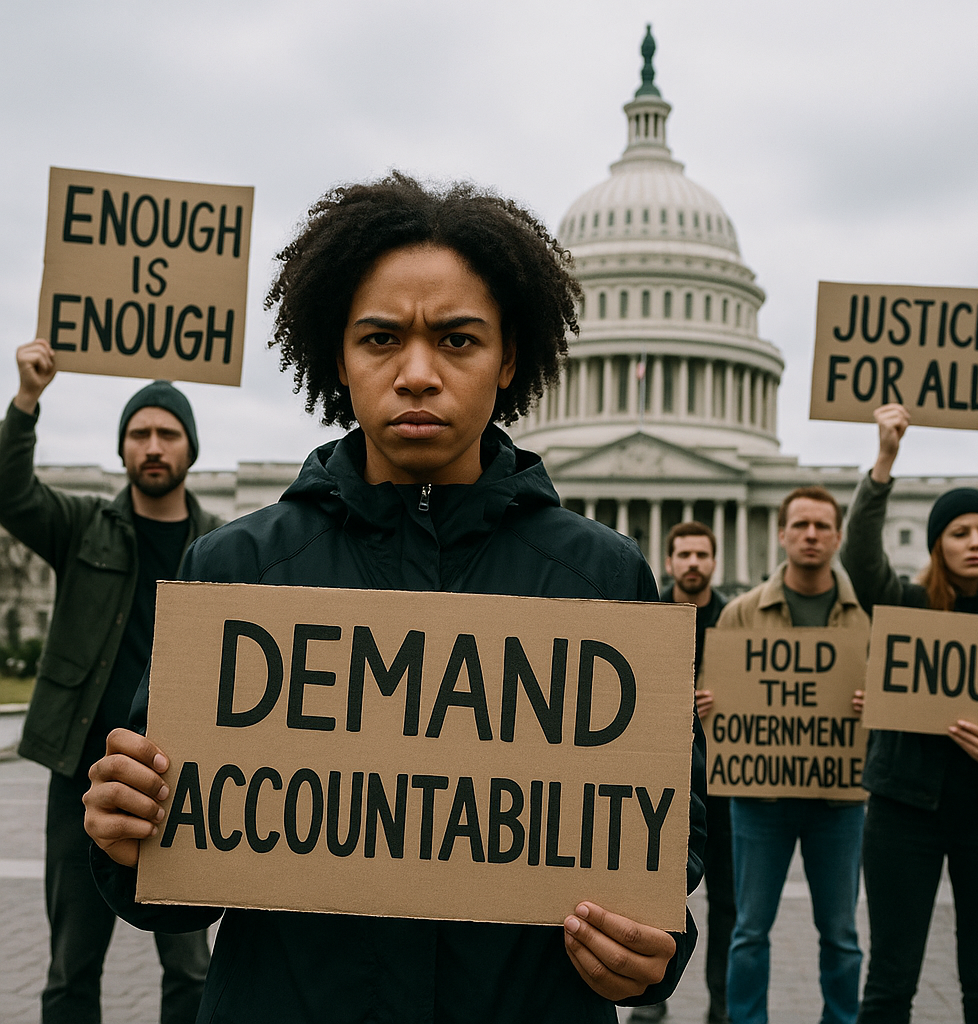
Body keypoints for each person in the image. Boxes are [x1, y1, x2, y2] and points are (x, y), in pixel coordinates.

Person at [81, 171, 708, 1024]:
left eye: (457, 340)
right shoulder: (234, 574)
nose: (417, 373)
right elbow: (180, 891)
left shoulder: (605, 581)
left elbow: (668, 834)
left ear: (510, 357)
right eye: (381, 340)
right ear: (338, 356)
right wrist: (127, 845)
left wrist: (653, 954)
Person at [0, 355, 221, 1024]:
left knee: (191, 970)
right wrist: (27, 398)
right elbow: (10, 493)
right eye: (138, 434)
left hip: (180, 785)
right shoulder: (83, 526)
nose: (153, 446)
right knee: (72, 967)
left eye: (167, 433)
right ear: (123, 446)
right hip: (83, 777)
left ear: (190, 447)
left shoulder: (221, 545)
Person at [841, 404, 978, 1024]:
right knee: (890, 984)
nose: (976, 543)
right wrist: (885, 460)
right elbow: (861, 560)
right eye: (960, 532)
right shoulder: (907, 607)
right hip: (903, 816)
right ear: (938, 545)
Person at [703, 486, 869, 1024]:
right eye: (800, 525)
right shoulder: (742, 615)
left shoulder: (866, 618)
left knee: (842, 934)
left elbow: (894, 702)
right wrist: (705, 704)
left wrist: (880, 704)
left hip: (838, 800)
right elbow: (719, 700)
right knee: (749, 930)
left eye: (822, 526)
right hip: (760, 797)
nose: (811, 535)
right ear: (781, 535)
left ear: (839, 536)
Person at [632, 521, 731, 1024]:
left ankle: (724, 1004)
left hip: (733, 780)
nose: (693, 563)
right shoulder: (645, 615)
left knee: (732, 907)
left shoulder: (740, 619)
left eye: (701, 554)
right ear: (668, 561)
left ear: (715, 559)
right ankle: (652, 997)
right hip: (662, 777)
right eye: (684, 554)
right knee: (653, 892)